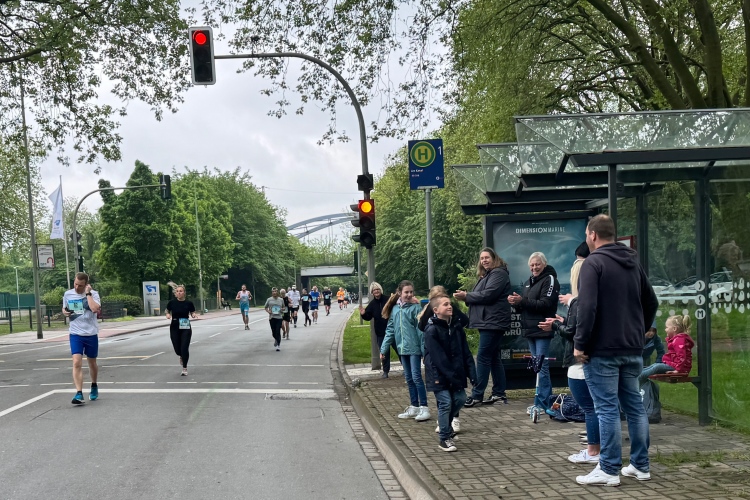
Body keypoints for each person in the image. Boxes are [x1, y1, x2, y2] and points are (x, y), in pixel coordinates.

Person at [573, 214, 658, 487]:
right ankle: (640, 465)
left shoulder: (593, 263)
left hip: (602, 350)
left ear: (593, 235)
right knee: (634, 407)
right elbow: (652, 301)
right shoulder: (633, 262)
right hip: (632, 348)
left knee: (606, 408)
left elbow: (587, 307)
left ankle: (608, 469)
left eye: (587, 235)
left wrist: (580, 343)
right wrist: (639, 331)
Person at [539, 242, 599, 465]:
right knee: (598, 407)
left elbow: (574, 331)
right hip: (594, 359)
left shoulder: (579, 302)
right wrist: (563, 321)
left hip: (580, 361)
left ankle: (594, 450)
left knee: (590, 408)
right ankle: (598, 447)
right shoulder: (593, 300)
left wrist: (556, 325)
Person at [454, 247, 512, 407]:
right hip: (489, 321)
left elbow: (488, 295)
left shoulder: (499, 274)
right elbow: (480, 295)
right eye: (482, 258)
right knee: (493, 358)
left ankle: (477, 395)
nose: (484, 260)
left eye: (487, 257)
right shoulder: (488, 275)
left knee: (483, 357)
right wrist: (466, 297)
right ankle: (498, 393)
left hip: (493, 322)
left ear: (494, 258)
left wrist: (467, 296)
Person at [508, 251, 560, 414]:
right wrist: (516, 303)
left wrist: (522, 301)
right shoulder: (528, 282)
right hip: (530, 330)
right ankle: (541, 401)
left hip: (543, 328)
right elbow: (526, 306)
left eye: (537, 264)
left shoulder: (549, 279)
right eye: (531, 265)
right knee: (537, 367)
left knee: (542, 367)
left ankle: (543, 403)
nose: (534, 267)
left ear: (544, 264)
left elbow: (545, 304)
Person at [423, 296, 476, 452]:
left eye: (450, 304)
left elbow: (465, 352)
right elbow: (439, 358)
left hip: (455, 372)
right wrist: (452, 376)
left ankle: (446, 426)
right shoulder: (431, 330)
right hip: (438, 374)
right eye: (445, 304)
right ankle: (444, 438)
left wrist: (472, 373)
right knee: (445, 402)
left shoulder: (456, 328)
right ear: (436, 310)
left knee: (460, 399)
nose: (449, 306)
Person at [381, 280, 431, 422]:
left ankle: (424, 407)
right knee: (408, 378)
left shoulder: (415, 308)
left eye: (411, 292)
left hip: (414, 348)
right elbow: (390, 329)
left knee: (416, 377)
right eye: (406, 292)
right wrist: (384, 348)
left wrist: (424, 351)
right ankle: (414, 406)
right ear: (399, 293)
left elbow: (420, 332)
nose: (409, 295)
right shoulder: (395, 310)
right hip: (402, 349)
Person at [62, 272, 102, 404]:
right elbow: (64, 309)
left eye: (80, 285)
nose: (77, 287)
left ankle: (94, 385)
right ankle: (79, 393)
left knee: (92, 362)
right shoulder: (68, 294)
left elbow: (95, 309)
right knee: (76, 362)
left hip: (90, 334)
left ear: (86, 285)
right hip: (75, 333)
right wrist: (65, 312)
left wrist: (88, 294)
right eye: (75, 284)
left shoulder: (94, 294)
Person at [638, 315, 694, 385]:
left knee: (657, 367)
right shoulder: (677, 339)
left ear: (674, 329)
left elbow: (682, 357)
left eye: (667, 327)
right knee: (656, 365)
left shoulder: (679, 340)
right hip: (675, 365)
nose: (665, 329)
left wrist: (678, 371)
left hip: (679, 368)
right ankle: (638, 374)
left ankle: (639, 377)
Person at [360, 282, 396, 378]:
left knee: (399, 350)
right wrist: (363, 314)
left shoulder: (388, 299)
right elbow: (368, 316)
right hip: (380, 332)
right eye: (374, 290)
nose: (376, 291)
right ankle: (385, 371)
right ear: (372, 292)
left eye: (378, 289)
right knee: (384, 352)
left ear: (381, 290)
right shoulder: (372, 304)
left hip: (393, 330)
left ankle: (406, 368)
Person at [165, 283, 198, 376]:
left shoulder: (189, 303)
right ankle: (180, 355)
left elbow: (192, 311)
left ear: (184, 293)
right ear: (175, 293)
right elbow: (167, 310)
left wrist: (193, 315)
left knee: (184, 347)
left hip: (185, 326)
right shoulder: (172, 303)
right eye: (177, 291)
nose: (179, 293)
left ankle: (184, 368)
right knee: (177, 348)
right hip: (175, 326)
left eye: (181, 291)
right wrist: (168, 314)